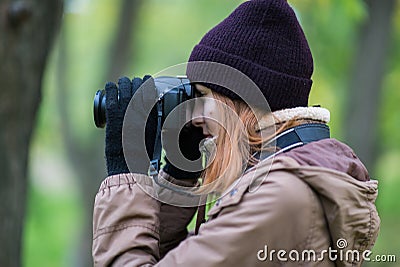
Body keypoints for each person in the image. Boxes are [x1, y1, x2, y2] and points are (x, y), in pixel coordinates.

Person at [92, 0, 380, 266]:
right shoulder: (288, 184)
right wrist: (180, 176)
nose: (193, 115)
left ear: (240, 105)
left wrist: (126, 167)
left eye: (204, 96)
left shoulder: (278, 198)